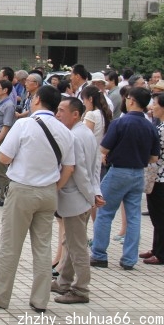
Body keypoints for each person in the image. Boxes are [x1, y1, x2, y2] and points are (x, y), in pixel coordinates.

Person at [0, 85, 74, 312]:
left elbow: (4, 157)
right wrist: (54, 186)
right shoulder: (65, 130)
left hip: (22, 190)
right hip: (49, 192)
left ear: (37, 100)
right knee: (43, 247)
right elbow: (69, 167)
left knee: (10, 245)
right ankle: (40, 300)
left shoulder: (24, 124)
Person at [90, 87, 159, 270]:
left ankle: (99, 254)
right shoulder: (150, 126)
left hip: (118, 171)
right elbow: (154, 158)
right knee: (134, 216)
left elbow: (103, 149)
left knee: (105, 212)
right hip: (138, 173)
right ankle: (129, 259)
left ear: (131, 100)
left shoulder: (119, 123)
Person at [52, 97, 103, 304]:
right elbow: (95, 166)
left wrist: (91, 195)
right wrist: (95, 192)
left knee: (78, 246)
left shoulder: (74, 136)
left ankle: (81, 289)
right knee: (70, 241)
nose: (58, 114)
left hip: (77, 198)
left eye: (62, 110)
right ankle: (63, 282)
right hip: (83, 196)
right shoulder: (85, 133)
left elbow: (79, 171)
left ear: (75, 114)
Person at [141, 92, 164, 265]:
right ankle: (156, 248)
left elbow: (155, 151)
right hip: (158, 173)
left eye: (155, 104)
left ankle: (163, 254)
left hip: (158, 174)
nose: (152, 107)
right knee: (156, 214)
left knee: (160, 215)